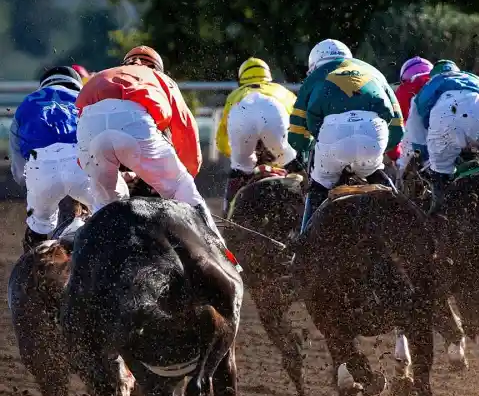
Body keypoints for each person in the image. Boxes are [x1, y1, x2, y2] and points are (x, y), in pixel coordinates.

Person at [75, 45, 224, 241]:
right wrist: (185, 175)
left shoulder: (101, 76)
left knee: (105, 208)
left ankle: (87, 256)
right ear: (156, 67)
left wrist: (92, 168)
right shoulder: (161, 79)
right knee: (181, 186)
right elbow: (185, 129)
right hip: (135, 124)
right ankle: (217, 246)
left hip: (89, 130)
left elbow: (83, 132)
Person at [288, 39, 404, 232]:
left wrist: (308, 145)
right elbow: (398, 127)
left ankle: (303, 244)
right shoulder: (374, 72)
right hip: (373, 135)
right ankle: (404, 226)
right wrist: (382, 149)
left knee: (318, 187)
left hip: (333, 139)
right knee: (378, 176)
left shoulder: (314, 77)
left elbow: (297, 136)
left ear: (314, 66)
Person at [399, 60, 479, 212]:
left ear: (433, 76)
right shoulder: (475, 80)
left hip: (444, 126)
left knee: (439, 176)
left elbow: (417, 141)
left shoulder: (424, 91)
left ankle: (437, 213)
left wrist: (429, 159)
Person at [10, 66, 93, 251]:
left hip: (40, 170)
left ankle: (32, 270)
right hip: (79, 165)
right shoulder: (87, 99)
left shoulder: (26, 104)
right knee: (112, 209)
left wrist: (28, 184)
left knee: (37, 227)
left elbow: (18, 169)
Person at [216, 57, 302, 214]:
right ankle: (306, 214)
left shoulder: (234, 95)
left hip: (241, 115)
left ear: (241, 80)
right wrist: (295, 155)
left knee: (239, 169)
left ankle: (227, 216)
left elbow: (221, 141)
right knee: (296, 167)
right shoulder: (283, 92)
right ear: (268, 77)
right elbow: (300, 126)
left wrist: (238, 157)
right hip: (275, 122)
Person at [386, 56, 433, 163]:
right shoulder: (441, 81)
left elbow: (394, 127)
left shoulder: (405, 89)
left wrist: (394, 155)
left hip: (420, 142)